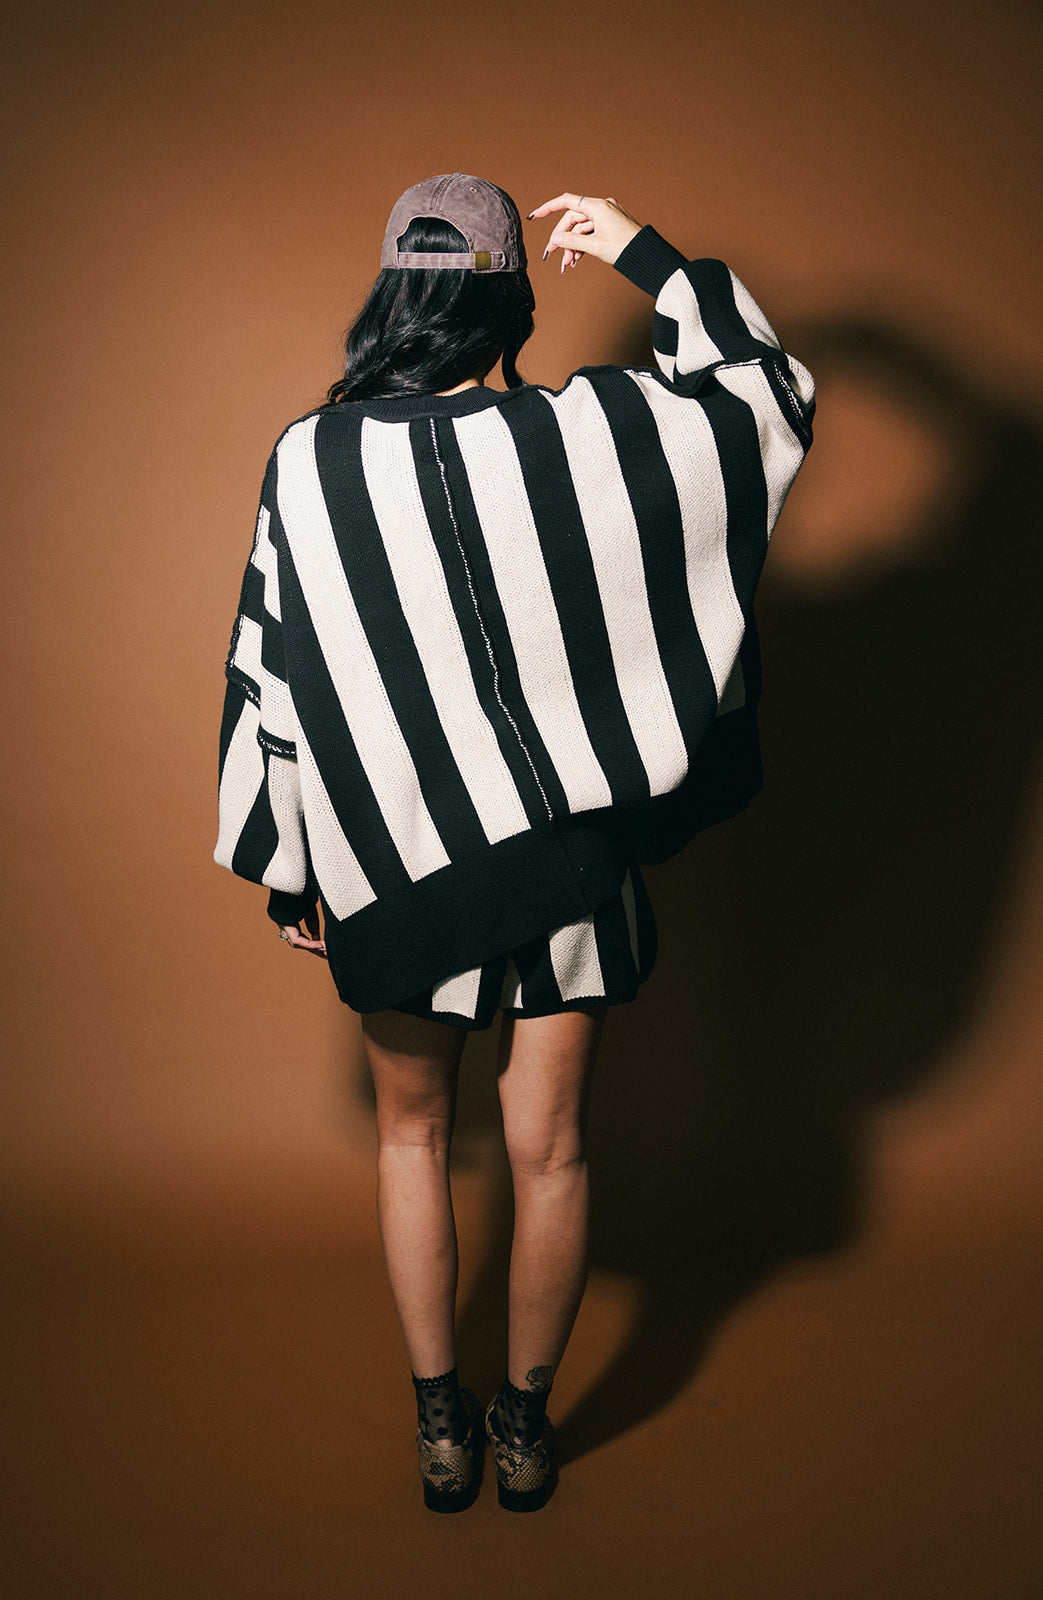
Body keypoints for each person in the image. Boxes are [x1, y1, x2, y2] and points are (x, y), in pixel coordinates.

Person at [215, 175, 814, 1512]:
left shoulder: (312, 457)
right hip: (568, 869)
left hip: (392, 866)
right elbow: (766, 397)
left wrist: (293, 856)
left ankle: (442, 1426)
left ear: (398, 293)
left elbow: (280, 668)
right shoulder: (596, 436)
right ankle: (525, 1425)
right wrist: (646, 253)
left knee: (408, 1142)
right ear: (512, 296)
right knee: (552, 1151)